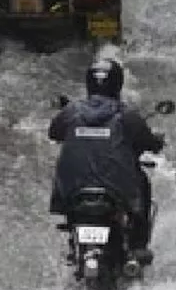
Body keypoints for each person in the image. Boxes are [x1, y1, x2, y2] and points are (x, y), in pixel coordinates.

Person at [48, 58, 165, 269]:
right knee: (143, 182)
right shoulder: (126, 115)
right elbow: (149, 142)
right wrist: (156, 141)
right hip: (115, 190)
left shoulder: (72, 112)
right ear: (117, 84)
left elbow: (54, 132)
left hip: (74, 190)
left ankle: (74, 246)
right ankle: (138, 245)